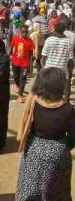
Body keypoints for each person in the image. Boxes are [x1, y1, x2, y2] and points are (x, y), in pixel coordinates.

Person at [16, 68, 75, 200]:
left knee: (30, 187)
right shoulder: (68, 109)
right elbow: (73, 137)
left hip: (34, 150)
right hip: (58, 153)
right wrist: (60, 147)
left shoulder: (33, 102)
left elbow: (27, 124)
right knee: (56, 190)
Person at [41, 22, 73, 100]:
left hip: (50, 70)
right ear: (63, 31)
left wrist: (45, 67)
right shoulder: (68, 42)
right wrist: (69, 71)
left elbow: (43, 58)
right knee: (65, 87)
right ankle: (65, 102)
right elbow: (71, 60)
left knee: (48, 89)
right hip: (62, 71)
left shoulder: (49, 40)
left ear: (55, 29)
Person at [9, 25, 35, 103]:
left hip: (24, 64)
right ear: (20, 31)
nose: (24, 33)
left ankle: (20, 95)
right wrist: (10, 55)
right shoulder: (15, 38)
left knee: (23, 79)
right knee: (16, 77)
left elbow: (31, 54)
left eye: (26, 32)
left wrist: (30, 66)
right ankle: (18, 86)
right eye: (23, 31)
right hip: (15, 62)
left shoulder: (30, 41)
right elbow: (11, 47)